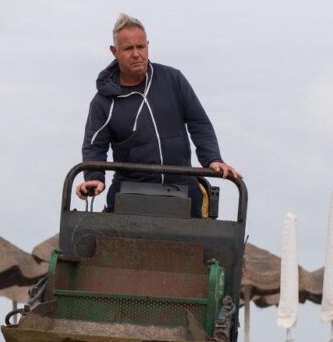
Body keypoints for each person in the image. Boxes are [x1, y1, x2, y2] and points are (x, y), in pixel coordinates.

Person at [78, 13, 241, 216]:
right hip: (129, 193)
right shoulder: (103, 102)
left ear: (147, 46)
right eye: (128, 48)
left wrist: (213, 159)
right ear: (114, 51)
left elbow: (199, 123)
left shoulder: (173, 80)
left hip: (183, 188)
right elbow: (94, 146)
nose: (136, 54)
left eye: (141, 47)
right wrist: (94, 177)